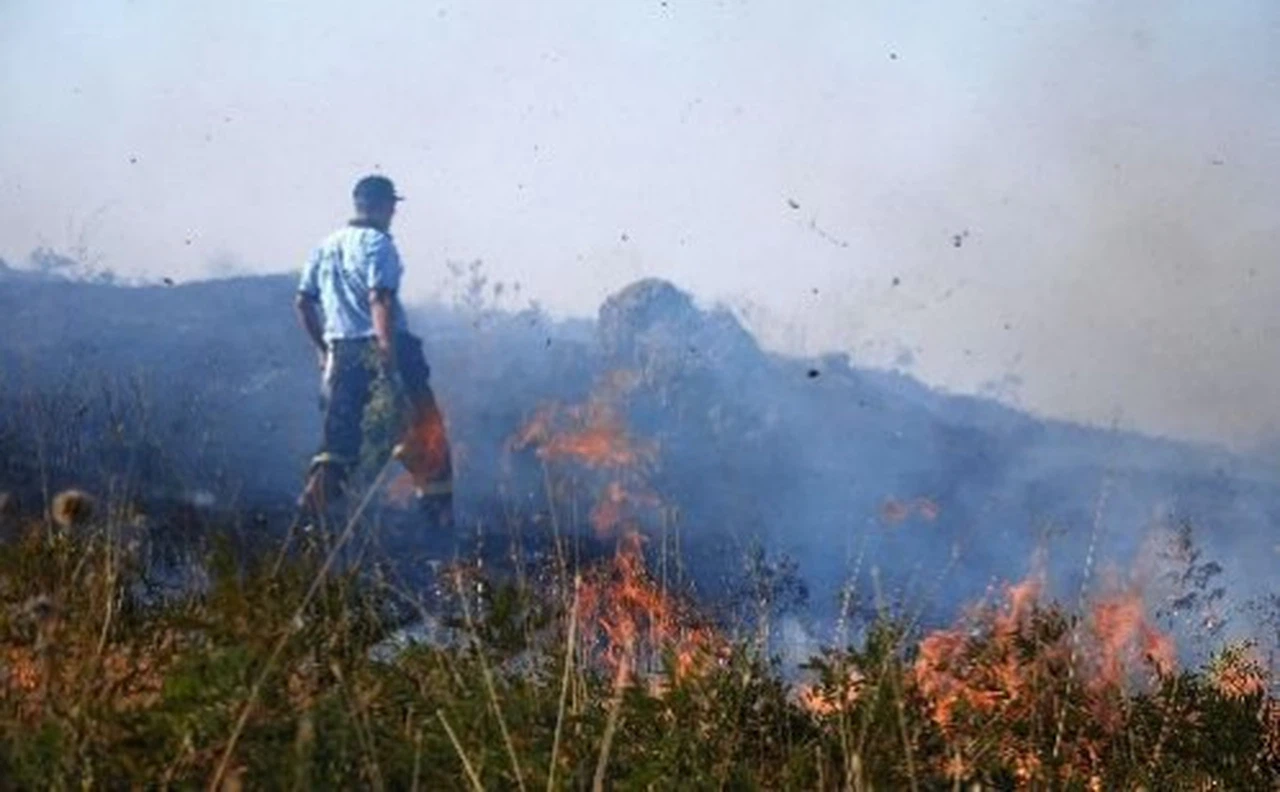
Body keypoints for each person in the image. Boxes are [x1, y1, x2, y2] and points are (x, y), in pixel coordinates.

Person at [294, 174, 452, 525]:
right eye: (392, 205)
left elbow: (303, 303)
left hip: (342, 355)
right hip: (384, 350)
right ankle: (438, 532)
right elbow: (379, 299)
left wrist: (323, 350)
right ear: (383, 206)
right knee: (430, 438)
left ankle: (306, 529)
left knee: (338, 447)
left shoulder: (325, 246)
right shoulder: (379, 246)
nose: (394, 212)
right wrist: (387, 355)